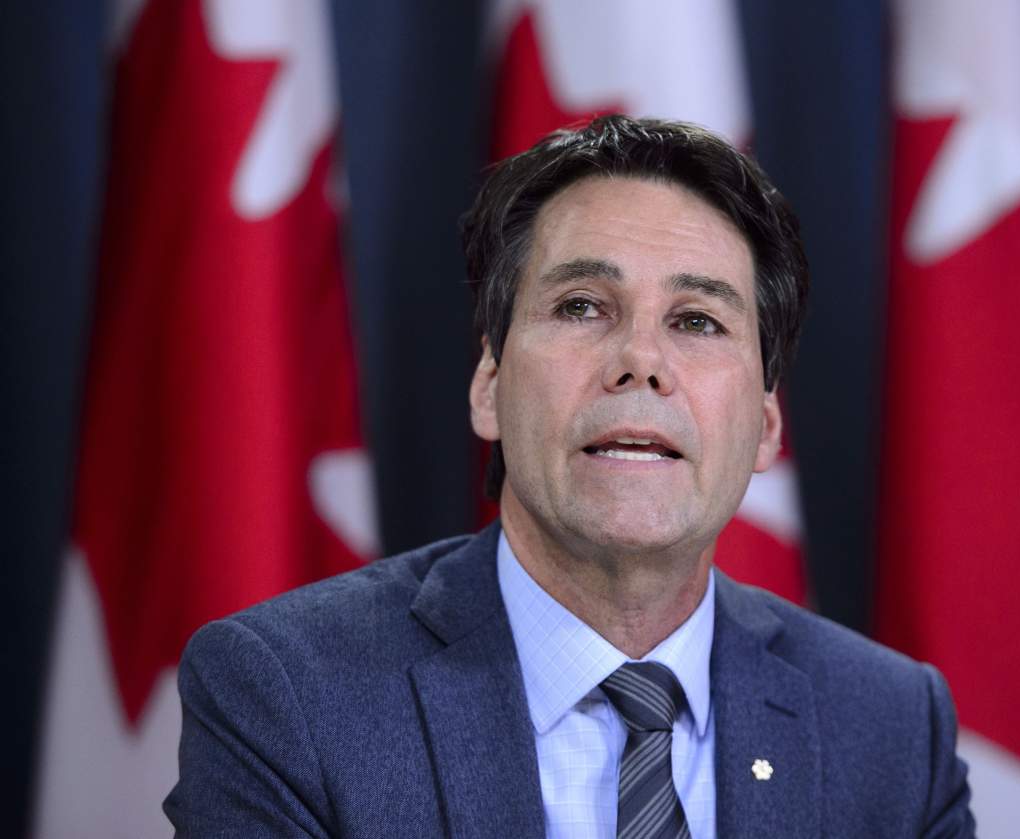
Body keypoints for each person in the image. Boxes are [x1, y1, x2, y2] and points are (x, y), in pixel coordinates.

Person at [165, 115, 974, 838]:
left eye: (697, 321)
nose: (641, 362)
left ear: (765, 426)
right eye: (583, 306)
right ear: (488, 385)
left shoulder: (892, 729)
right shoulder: (287, 693)